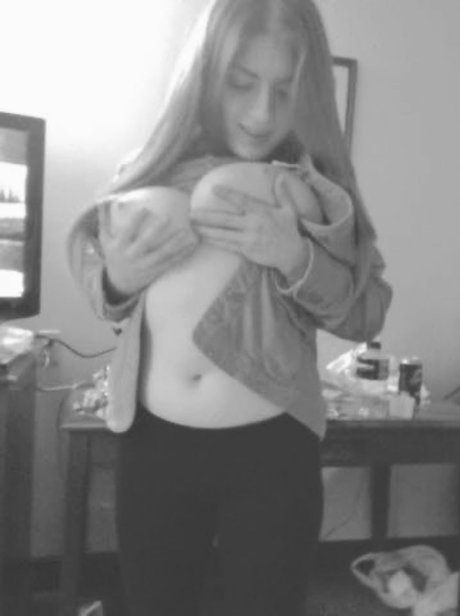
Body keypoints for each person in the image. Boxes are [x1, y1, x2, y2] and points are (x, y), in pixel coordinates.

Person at [67, 0, 393, 614]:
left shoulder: (317, 190)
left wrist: (295, 257)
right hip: (153, 446)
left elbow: (367, 311)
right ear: (202, 76)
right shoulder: (147, 171)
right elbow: (101, 288)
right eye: (241, 83)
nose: (261, 113)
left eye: (284, 90)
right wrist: (116, 280)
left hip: (272, 453)